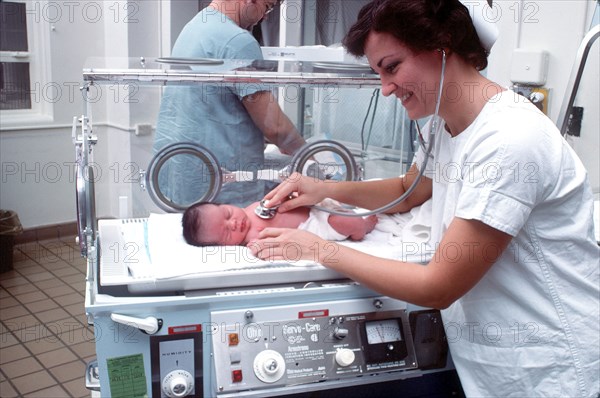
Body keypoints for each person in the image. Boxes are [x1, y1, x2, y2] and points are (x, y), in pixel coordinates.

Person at [248, 0, 600, 396]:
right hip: (495, 365)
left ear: (443, 42)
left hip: (554, 368)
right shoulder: (444, 125)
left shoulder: (509, 140)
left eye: (392, 67)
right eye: (378, 73)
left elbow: (439, 286)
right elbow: (407, 190)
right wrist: (325, 190)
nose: (385, 89)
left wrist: (318, 249)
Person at [154, 0, 305, 208]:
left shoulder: (194, 27)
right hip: (222, 185)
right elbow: (274, 125)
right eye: (267, 6)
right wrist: (306, 153)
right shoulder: (238, 41)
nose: (266, 16)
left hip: (183, 174)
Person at [181, 199, 378, 246]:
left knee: (337, 199)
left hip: (314, 207)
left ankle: (356, 206)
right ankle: (363, 227)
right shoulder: (252, 239)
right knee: (345, 221)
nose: (233, 223)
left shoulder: (248, 209)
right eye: (226, 233)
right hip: (316, 227)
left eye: (226, 213)